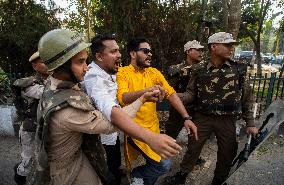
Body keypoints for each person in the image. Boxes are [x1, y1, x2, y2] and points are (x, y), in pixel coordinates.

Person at [28, 29, 182, 185]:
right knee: (111, 172)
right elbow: (111, 121)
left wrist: (143, 96)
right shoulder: (83, 92)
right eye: (80, 62)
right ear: (62, 66)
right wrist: (151, 137)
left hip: (82, 151)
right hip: (68, 168)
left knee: (111, 170)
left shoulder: (61, 82)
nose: (86, 67)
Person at [164, 32, 259, 185]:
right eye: (227, 45)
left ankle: (219, 180)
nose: (231, 48)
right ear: (214, 47)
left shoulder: (238, 69)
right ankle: (182, 175)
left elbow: (247, 97)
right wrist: (170, 95)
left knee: (227, 152)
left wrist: (250, 123)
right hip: (203, 118)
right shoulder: (199, 69)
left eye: (232, 45)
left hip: (227, 120)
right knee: (193, 148)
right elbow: (190, 94)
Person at [84, 33, 173, 185]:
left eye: (118, 50)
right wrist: (148, 136)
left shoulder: (109, 71)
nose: (119, 55)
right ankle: (134, 176)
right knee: (108, 175)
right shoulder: (95, 79)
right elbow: (111, 109)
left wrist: (144, 96)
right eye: (113, 52)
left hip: (113, 136)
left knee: (116, 168)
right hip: (101, 140)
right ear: (99, 56)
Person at [116, 37, 198, 185]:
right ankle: (136, 173)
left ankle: (143, 182)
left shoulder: (153, 73)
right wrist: (146, 91)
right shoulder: (123, 72)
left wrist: (186, 117)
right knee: (164, 165)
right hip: (135, 130)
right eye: (146, 51)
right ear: (133, 54)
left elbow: (171, 94)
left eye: (151, 51)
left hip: (153, 129)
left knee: (159, 164)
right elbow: (123, 98)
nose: (150, 54)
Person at [13, 51, 49, 185]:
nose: (48, 64)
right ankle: (19, 176)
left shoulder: (53, 80)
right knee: (28, 160)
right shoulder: (28, 83)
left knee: (45, 159)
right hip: (30, 128)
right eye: (43, 62)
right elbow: (45, 94)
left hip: (46, 127)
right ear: (35, 66)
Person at [166, 40, 204, 139]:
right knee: (170, 135)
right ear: (188, 52)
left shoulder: (204, 69)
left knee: (196, 137)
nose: (201, 53)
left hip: (197, 108)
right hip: (179, 106)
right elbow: (169, 88)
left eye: (202, 50)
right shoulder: (176, 69)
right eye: (198, 50)